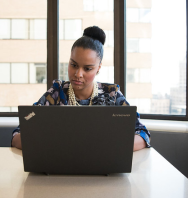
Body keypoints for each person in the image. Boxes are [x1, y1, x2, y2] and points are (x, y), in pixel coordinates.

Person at [12, 26, 151, 151]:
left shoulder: (112, 95)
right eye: (73, 65)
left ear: (98, 68)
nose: (78, 74)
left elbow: (143, 134)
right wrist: (49, 144)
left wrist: (111, 146)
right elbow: (18, 134)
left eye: (87, 68)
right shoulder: (56, 93)